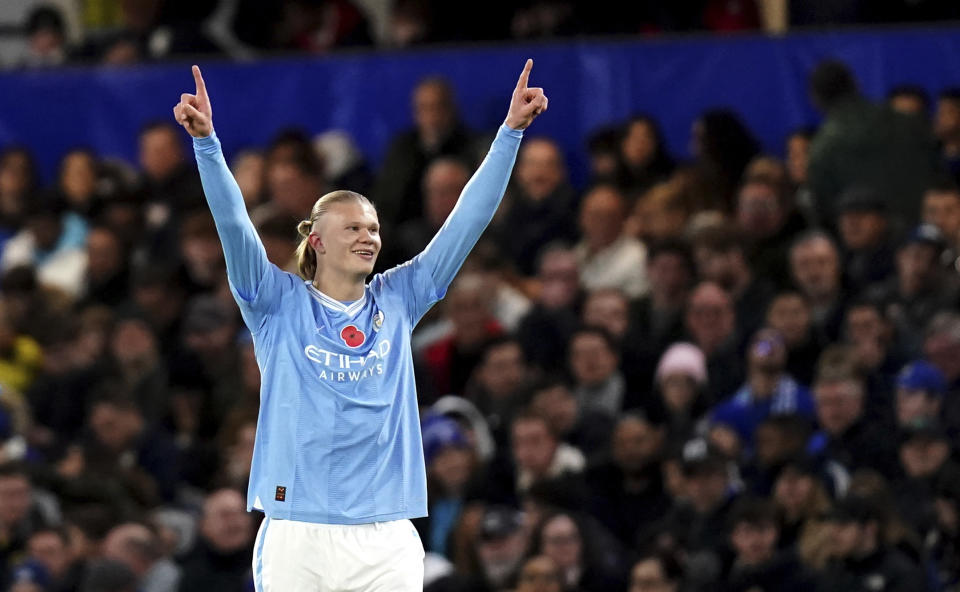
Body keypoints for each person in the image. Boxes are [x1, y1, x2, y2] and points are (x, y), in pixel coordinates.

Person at [173, 60, 547, 590]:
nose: (368, 236)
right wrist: (208, 146)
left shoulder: (400, 297)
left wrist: (509, 135)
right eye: (352, 227)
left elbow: (466, 222)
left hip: (385, 532)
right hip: (298, 527)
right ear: (318, 241)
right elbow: (234, 225)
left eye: (373, 227)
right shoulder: (274, 302)